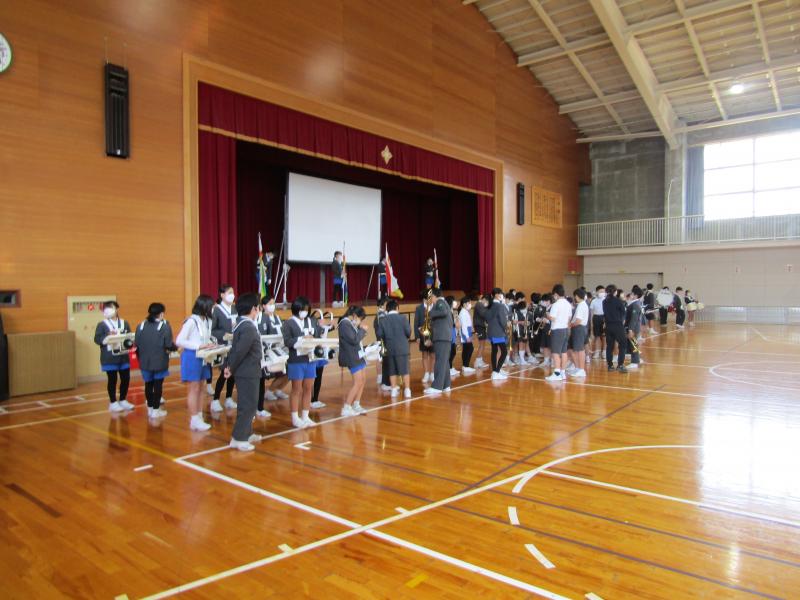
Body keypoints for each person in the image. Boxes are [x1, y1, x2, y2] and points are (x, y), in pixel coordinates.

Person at [224, 293, 263, 452]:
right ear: (254, 309)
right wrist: (230, 368)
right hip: (247, 371)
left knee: (250, 404)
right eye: (258, 307)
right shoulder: (247, 327)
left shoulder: (242, 324)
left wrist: (230, 366)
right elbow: (240, 351)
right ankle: (239, 438)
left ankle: (247, 432)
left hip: (249, 370)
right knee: (248, 405)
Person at [176, 295, 215, 431]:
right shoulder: (191, 321)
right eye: (211, 306)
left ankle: (199, 415)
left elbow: (206, 338)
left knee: (201, 387)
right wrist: (198, 346)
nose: (213, 309)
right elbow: (179, 341)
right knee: (194, 388)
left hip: (204, 357)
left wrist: (211, 344)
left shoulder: (208, 320)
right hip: (192, 356)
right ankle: (194, 419)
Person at [282, 296, 322, 429]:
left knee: (308, 388)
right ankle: (295, 417)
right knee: (296, 389)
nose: (305, 312)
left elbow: (317, 336)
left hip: (310, 359)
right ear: (296, 309)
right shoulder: (288, 323)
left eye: (306, 309)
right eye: (302, 309)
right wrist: (301, 338)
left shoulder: (311, 321)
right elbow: (287, 341)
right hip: (296, 360)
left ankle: (305, 416)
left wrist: (319, 331)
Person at [134, 302, 176, 419]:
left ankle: (150, 408)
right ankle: (156, 410)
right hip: (159, 361)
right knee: (158, 385)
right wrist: (176, 348)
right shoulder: (164, 326)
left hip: (144, 361)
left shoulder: (140, 325)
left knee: (148, 385)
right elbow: (168, 344)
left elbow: (136, 344)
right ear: (161, 313)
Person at [94, 301, 134, 413]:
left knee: (125, 378)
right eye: (106, 308)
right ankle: (113, 402)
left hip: (123, 356)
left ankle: (123, 399)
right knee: (112, 379)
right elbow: (97, 339)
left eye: (111, 307)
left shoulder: (124, 323)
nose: (108, 310)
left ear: (116, 309)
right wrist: (107, 336)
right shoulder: (102, 324)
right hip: (109, 357)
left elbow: (129, 336)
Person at [376, 299, 412, 398]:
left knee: (392, 370)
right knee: (405, 370)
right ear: (397, 308)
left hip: (390, 348)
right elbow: (408, 332)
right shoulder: (403, 318)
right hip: (402, 348)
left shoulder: (383, 320)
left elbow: (379, 334)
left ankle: (393, 390)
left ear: (387, 309)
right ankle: (407, 390)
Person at [210, 284, 238, 413]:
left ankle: (228, 397)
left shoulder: (234, 309)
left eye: (233, 292)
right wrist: (223, 335)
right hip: (223, 346)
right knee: (224, 372)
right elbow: (212, 330)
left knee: (233, 372)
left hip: (235, 345)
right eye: (229, 293)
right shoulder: (217, 310)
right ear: (222, 295)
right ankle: (215, 399)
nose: (232, 295)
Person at [338, 305, 370, 416]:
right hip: (351, 356)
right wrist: (362, 330)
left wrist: (359, 329)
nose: (360, 321)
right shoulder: (344, 324)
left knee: (363, 379)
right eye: (360, 318)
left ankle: (356, 404)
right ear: (355, 315)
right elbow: (354, 339)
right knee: (358, 382)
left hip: (358, 355)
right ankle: (346, 407)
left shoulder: (350, 323)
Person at [424, 289, 454, 395]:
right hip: (444, 337)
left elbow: (443, 312)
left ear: (435, 296)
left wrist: (430, 313)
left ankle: (437, 387)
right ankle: (446, 385)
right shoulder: (443, 303)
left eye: (431, 297)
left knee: (440, 362)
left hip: (442, 338)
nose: (430, 299)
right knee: (444, 362)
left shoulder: (440, 302)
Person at [310, 308, 337, 410]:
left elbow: (325, 329)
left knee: (318, 377)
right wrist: (322, 325)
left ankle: (315, 399)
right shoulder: (311, 323)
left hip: (320, 354)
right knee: (310, 378)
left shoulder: (319, 324)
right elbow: (317, 331)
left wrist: (332, 325)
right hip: (312, 354)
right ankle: (310, 399)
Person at [545, 284, 571, 382]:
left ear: (555, 294)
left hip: (557, 330)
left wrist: (547, 315)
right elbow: (569, 318)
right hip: (565, 329)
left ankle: (556, 373)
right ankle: (563, 372)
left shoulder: (556, 304)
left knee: (555, 352)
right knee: (564, 352)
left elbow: (553, 318)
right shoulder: (568, 304)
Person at [603, 284, 628, 373]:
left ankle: (610, 366)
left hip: (608, 325)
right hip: (617, 325)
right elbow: (623, 312)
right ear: (615, 292)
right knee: (623, 344)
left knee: (609, 346)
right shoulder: (618, 301)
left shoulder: (604, 301)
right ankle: (620, 365)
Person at [486, 288, 510, 381]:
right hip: (498, 332)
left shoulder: (490, 305)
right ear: (495, 295)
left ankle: (495, 371)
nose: (500, 295)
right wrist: (506, 327)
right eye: (499, 293)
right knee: (504, 351)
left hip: (491, 331)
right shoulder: (500, 306)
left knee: (494, 350)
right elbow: (503, 320)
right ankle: (496, 372)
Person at [414, 289, 435, 383]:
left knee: (433, 355)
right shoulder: (419, 308)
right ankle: (426, 373)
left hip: (433, 335)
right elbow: (416, 323)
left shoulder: (435, 307)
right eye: (429, 298)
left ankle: (432, 373)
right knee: (425, 354)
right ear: (424, 299)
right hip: (423, 335)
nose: (431, 299)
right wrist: (417, 336)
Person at [566, 289, 588, 378]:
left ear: (577, 296)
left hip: (579, 328)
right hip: (577, 328)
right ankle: (577, 368)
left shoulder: (582, 305)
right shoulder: (581, 305)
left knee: (580, 349)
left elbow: (578, 321)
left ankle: (581, 370)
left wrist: (570, 325)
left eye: (575, 296)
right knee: (572, 349)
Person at [374, 298, 391, 389]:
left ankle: (381, 377)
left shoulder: (382, 314)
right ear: (383, 305)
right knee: (381, 359)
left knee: (381, 358)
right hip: (382, 340)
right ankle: (380, 377)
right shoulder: (381, 314)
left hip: (381, 339)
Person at [626, 286, 644, 369]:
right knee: (633, 344)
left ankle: (635, 362)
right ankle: (637, 359)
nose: (631, 295)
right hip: (633, 327)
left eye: (632, 294)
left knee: (633, 344)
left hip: (633, 328)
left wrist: (630, 329)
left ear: (636, 295)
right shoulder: (634, 303)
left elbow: (634, 318)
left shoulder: (635, 305)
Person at [458, 296, 476, 375]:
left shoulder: (465, 311)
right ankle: (465, 365)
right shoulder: (463, 313)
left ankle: (465, 366)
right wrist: (467, 336)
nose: (470, 304)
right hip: (465, 333)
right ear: (464, 304)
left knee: (467, 349)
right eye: (469, 303)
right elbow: (464, 326)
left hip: (468, 332)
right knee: (469, 348)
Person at [473, 294, 490, 368]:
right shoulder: (479, 304)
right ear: (484, 299)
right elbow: (484, 314)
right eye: (487, 301)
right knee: (481, 344)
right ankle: (477, 361)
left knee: (483, 344)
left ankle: (480, 360)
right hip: (479, 326)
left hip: (481, 326)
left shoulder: (481, 305)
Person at [446, 296, 461, 381]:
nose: (455, 303)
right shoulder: (448, 311)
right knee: (451, 351)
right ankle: (449, 368)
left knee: (453, 351)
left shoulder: (453, 311)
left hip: (453, 332)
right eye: (454, 301)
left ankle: (450, 367)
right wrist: (455, 324)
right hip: (449, 333)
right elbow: (449, 323)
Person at [589, 285, 606, 359]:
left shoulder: (606, 300)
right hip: (596, 318)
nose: (602, 293)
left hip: (604, 317)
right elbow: (592, 313)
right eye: (600, 291)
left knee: (604, 336)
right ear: (597, 292)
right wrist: (591, 323)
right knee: (597, 336)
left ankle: (604, 351)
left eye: (603, 291)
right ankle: (597, 351)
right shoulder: (594, 301)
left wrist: (606, 321)